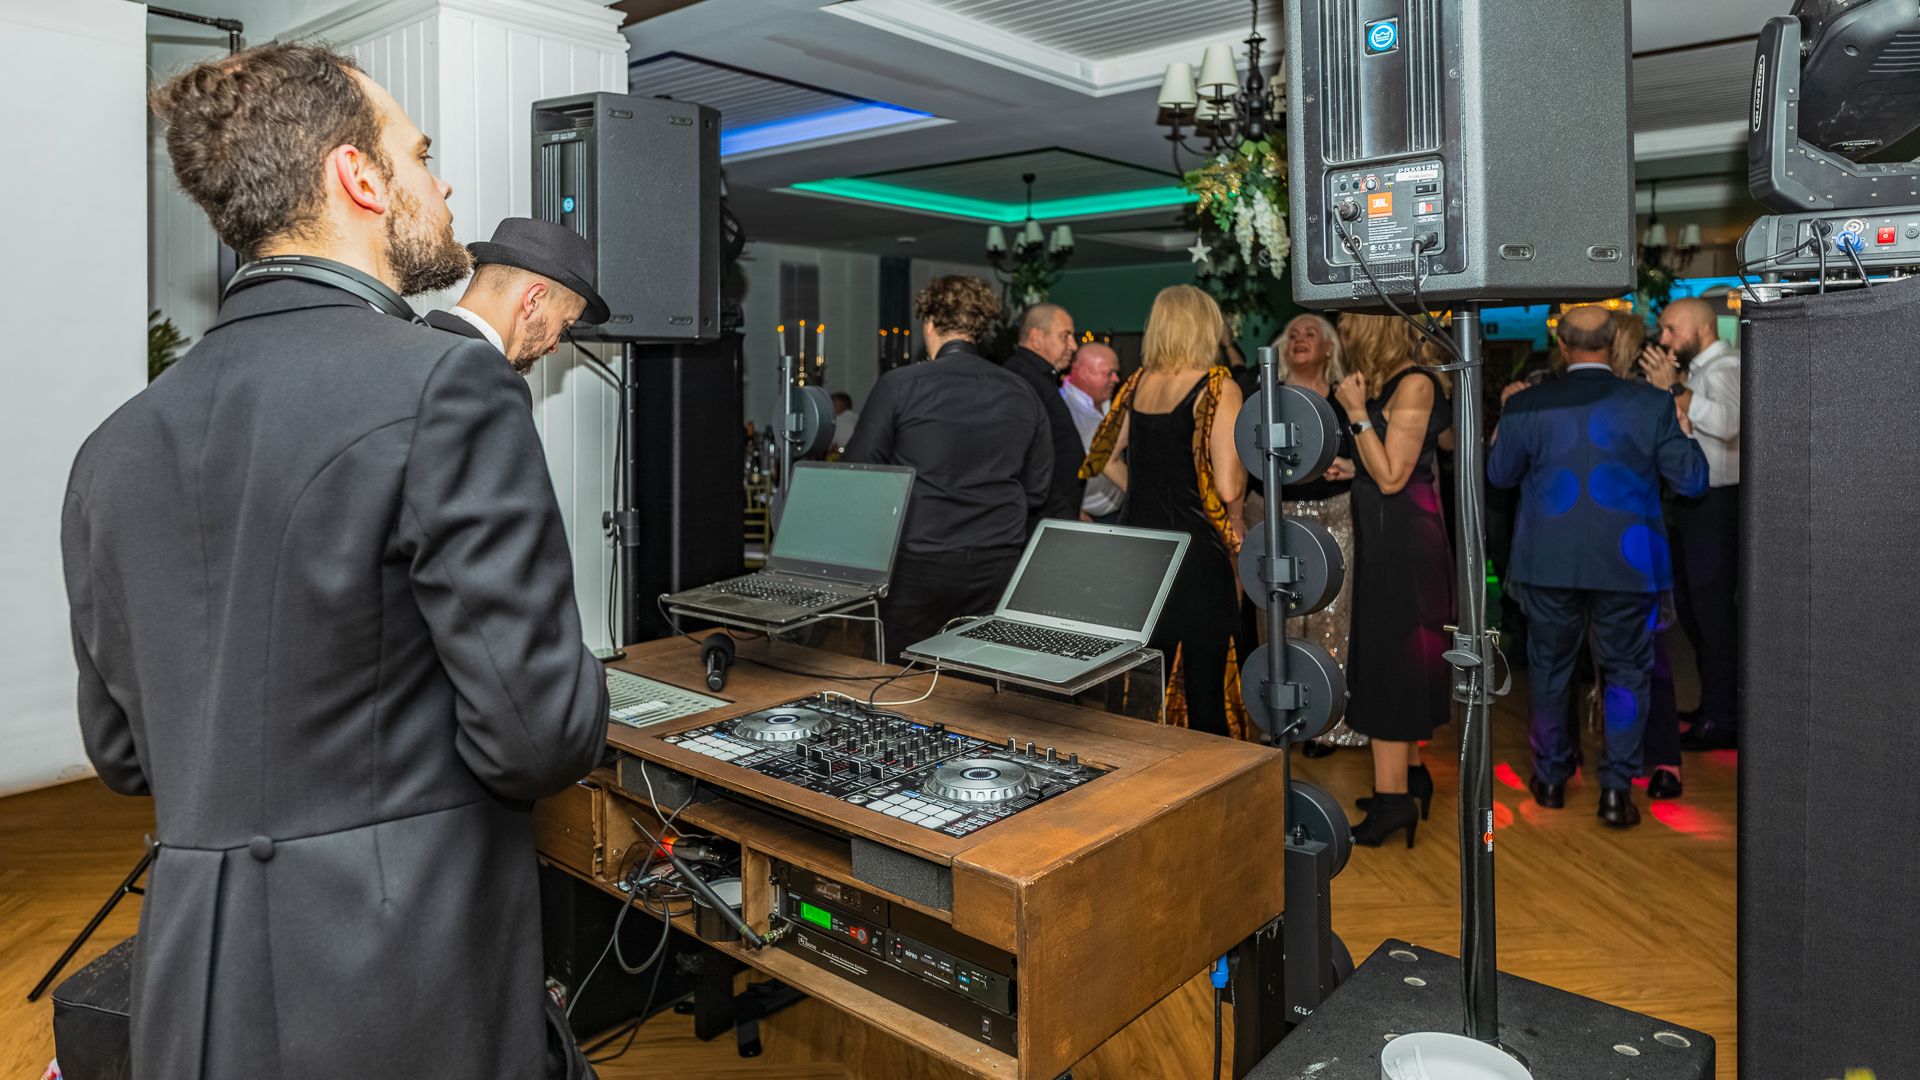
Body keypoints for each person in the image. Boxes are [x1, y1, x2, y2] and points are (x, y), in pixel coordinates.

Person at [65, 44, 607, 1078]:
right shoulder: (449, 387)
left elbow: (125, 756)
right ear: (358, 177)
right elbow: (539, 739)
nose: (442, 188)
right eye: (421, 155)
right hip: (402, 980)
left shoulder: (113, 446)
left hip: (196, 988)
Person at [1490, 307, 1709, 828]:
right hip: (1627, 563)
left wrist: (1508, 421)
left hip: (1549, 562)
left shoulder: (1528, 404)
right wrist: (1682, 425)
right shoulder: (1651, 403)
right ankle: (1616, 791)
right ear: (1613, 343)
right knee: (1626, 676)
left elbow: (1500, 475)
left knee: (1550, 671)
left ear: (1562, 346)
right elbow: (1693, 480)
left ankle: (1549, 779)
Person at [845, 276, 1050, 659]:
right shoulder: (1022, 391)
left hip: (918, 563)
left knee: (899, 676)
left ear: (929, 324)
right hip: (998, 562)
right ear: (980, 328)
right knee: (983, 673)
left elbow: (858, 474)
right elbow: (1037, 487)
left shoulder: (900, 385)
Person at [1081, 286, 1247, 737]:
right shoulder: (1218, 386)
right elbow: (1228, 486)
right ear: (1205, 327)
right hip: (1196, 555)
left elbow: (1102, 457)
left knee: (1143, 684)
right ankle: (1211, 777)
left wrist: (1145, 490)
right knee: (1205, 687)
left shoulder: (1138, 383)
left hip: (1139, 552)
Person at [1336, 314, 1454, 848]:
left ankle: (1392, 803)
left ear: (1373, 329)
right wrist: (1351, 465)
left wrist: (1357, 413)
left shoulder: (1416, 384)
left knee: (1391, 663)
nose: (1343, 329)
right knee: (1394, 657)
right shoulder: (1395, 382)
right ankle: (1410, 776)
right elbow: (1381, 462)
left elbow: (1390, 477)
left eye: (1348, 321)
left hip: (1404, 546)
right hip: (1391, 539)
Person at [1638, 297, 1740, 751]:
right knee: (1696, 613)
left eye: (1671, 330)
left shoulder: (1727, 368)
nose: (1664, 339)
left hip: (1717, 506)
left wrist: (1674, 389)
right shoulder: (1698, 371)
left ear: (1701, 329)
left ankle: (1724, 718)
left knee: (1713, 615)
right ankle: (1714, 706)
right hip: (1694, 504)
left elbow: (1731, 424)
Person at [1270, 315, 1363, 758]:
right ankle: (1283, 719)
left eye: (1310, 333)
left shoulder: (1347, 398)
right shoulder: (1270, 397)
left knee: (1333, 619)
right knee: (1280, 620)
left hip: (1336, 513)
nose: (1299, 339)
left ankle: (1330, 726)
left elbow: (1370, 456)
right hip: (1278, 515)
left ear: (1329, 347)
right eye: (1293, 334)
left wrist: (1353, 467)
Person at [423, 216, 607, 376]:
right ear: (533, 299)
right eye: (564, 324)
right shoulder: (491, 382)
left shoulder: (411, 342)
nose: (554, 347)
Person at [1003, 302, 1086, 525]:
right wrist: (1062, 514)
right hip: (1042, 517)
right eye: (1065, 336)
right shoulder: (1021, 379)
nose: (1074, 346)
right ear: (1036, 338)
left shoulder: (1038, 376)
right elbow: (1026, 460)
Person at [1060, 342, 1124, 523]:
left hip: (1119, 512)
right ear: (1082, 372)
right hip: (1084, 518)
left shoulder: (1112, 405)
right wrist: (1068, 510)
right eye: (1109, 373)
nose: (1116, 379)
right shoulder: (1062, 408)